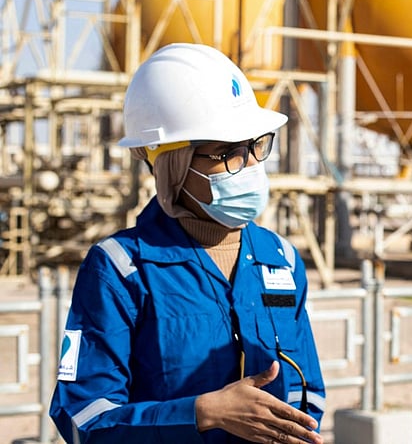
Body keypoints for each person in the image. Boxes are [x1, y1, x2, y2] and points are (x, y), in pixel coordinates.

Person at [50, 43, 325, 444]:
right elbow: (84, 418)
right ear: (173, 165)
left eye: (256, 146)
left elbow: (308, 394)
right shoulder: (120, 269)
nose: (249, 166)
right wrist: (201, 414)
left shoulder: (280, 259)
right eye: (227, 152)